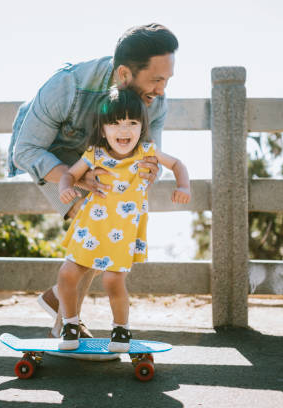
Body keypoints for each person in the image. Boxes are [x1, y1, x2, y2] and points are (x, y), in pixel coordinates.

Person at [7, 23, 179, 347]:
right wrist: (78, 176)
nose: (161, 90)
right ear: (125, 74)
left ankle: (59, 298)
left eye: (167, 80)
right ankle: (62, 324)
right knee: (93, 216)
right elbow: (26, 151)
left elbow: (147, 160)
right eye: (156, 80)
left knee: (111, 221)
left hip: (99, 159)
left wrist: (148, 171)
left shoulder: (156, 102)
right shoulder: (68, 85)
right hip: (49, 153)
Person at [56, 87, 191, 351]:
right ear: (103, 128)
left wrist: (183, 186)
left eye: (132, 123)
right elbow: (68, 175)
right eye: (115, 123)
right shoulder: (94, 154)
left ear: (142, 126)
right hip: (91, 227)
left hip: (123, 230)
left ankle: (121, 331)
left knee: (112, 280)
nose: (124, 130)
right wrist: (65, 188)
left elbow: (177, 165)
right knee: (67, 274)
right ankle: (70, 324)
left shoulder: (146, 152)